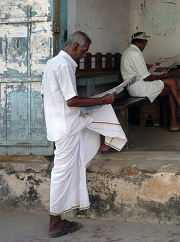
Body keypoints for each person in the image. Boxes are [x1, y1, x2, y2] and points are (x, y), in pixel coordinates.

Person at [42, 31, 127, 238]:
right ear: (74, 47)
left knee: (67, 170)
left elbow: (49, 95)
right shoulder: (64, 65)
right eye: (84, 51)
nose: (84, 56)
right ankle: (54, 223)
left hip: (62, 124)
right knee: (62, 174)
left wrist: (95, 103)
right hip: (67, 128)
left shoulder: (52, 63)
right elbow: (71, 101)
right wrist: (100, 100)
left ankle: (59, 218)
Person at [120, 32, 180, 131]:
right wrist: (162, 75)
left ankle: (176, 121)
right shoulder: (136, 54)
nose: (145, 46)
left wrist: (150, 67)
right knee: (171, 84)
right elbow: (146, 78)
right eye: (145, 43)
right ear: (141, 42)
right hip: (138, 87)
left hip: (134, 86)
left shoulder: (128, 51)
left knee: (171, 86)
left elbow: (140, 71)